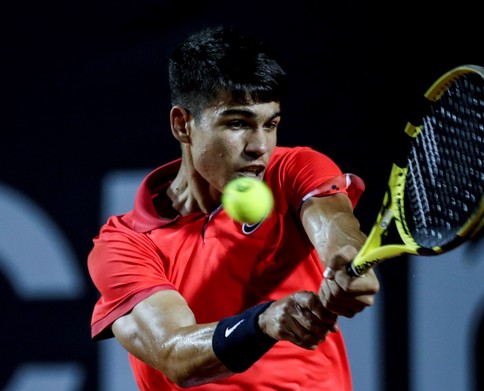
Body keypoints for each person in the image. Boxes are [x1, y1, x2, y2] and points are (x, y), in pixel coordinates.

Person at [88, 25, 380, 391]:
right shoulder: (124, 245)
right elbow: (176, 356)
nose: (260, 145)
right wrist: (263, 323)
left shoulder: (294, 170)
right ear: (183, 125)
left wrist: (348, 263)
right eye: (238, 123)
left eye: (270, 124)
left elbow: (336, 226)